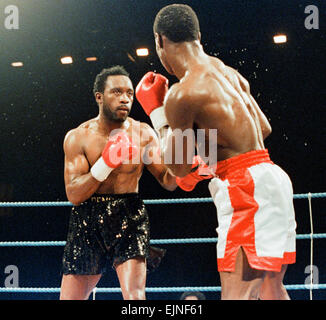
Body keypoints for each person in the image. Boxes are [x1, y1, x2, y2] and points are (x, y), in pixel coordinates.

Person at [135, 4, 296, 300]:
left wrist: (157, 112)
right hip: (274, 180)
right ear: (198, 35)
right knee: (273, 289)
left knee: (238, 295)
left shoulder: (182, 94)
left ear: (160, 41)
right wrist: (208, 158)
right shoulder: (228, 72)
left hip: (246, 190)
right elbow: (263, 129)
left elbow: (179, 167)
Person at [60, 65, 177, 300]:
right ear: (99, 97)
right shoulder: (78, 137)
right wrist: (105, 164)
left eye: (130, 93)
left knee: (135, 297)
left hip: (130, 215)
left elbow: (168, 181)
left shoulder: (144, 134)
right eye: (116, 92)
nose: (125, 99)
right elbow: (74, 195)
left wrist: (186, 172)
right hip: (88, 218)